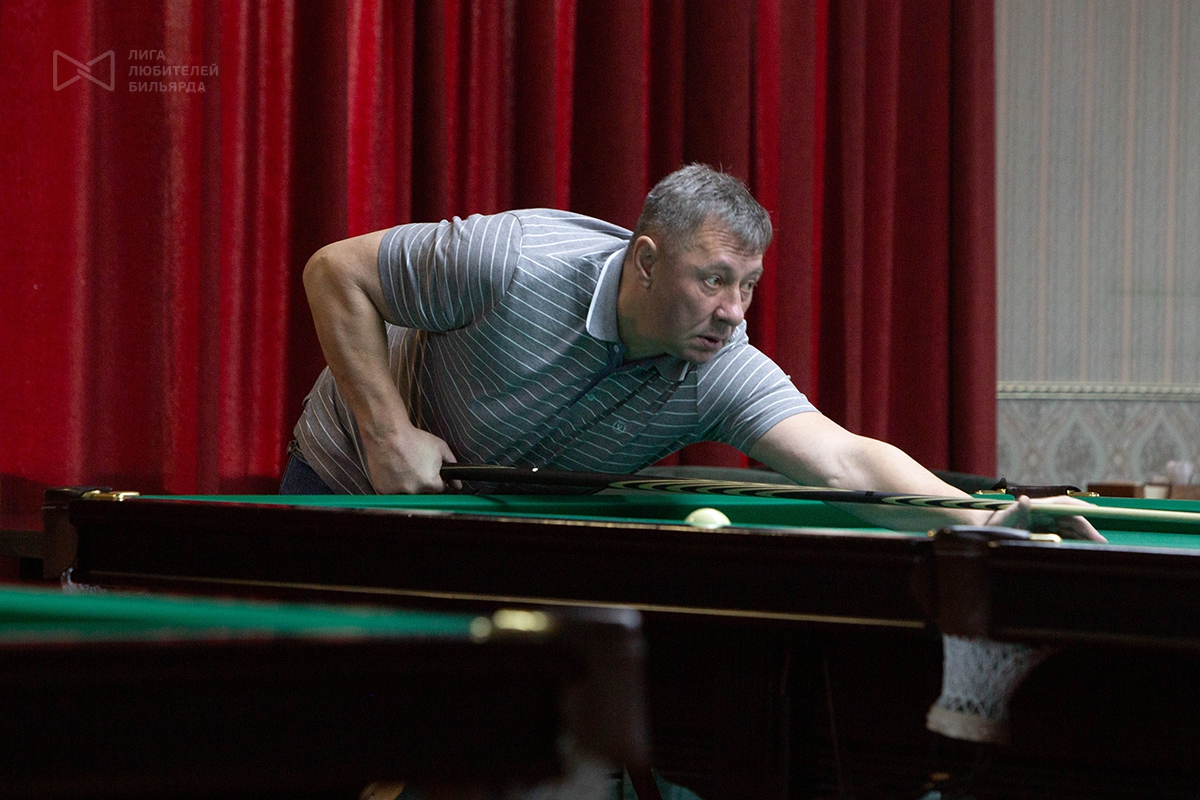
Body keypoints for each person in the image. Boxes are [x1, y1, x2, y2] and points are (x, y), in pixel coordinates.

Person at [285, 164, 1099, 540]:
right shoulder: (514, 260)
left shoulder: (717, 365)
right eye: (714, 281)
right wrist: (386, 432)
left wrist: (983, 520)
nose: (733, 312)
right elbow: (335, 271)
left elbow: (845, 459)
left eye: (748, 285)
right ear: (645, 261)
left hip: (492, 529)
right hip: (344, 481)